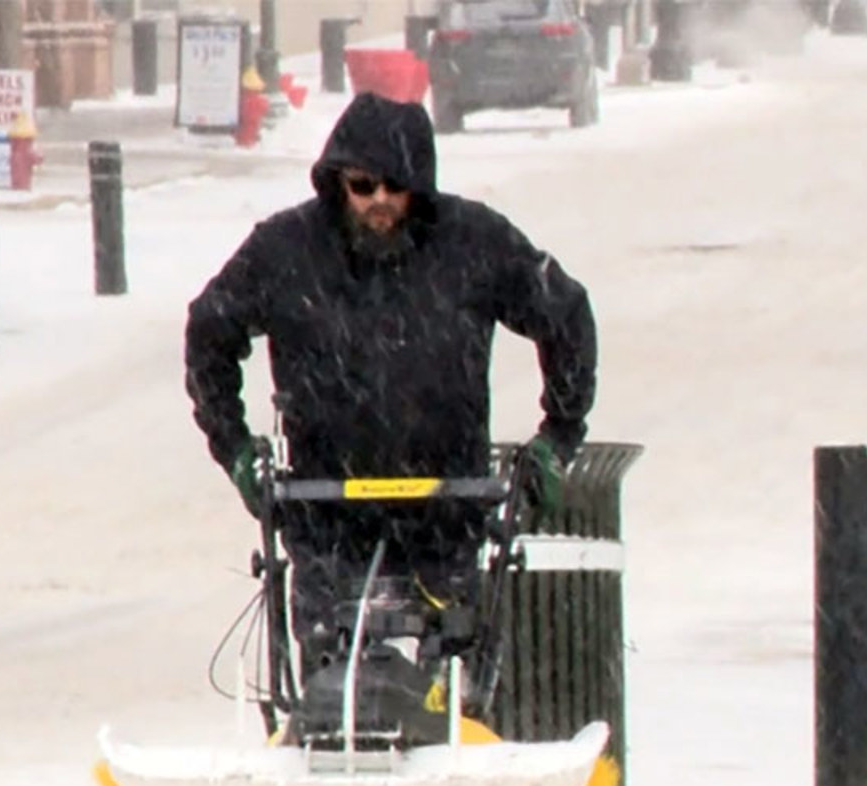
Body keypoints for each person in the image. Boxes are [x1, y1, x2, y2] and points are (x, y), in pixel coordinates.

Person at [184, 92, 597, 672]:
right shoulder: (286, 253)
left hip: (445, 516)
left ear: (419, 187)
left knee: (450, 679)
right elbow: (209, 330)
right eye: (362, 185)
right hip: (326, 516)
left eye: (394, 187)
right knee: (332, 683)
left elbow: (566, 314)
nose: (378, 201)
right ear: (338, 182)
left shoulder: (472, 243)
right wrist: (233, 448)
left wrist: (560, 431)